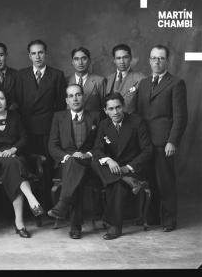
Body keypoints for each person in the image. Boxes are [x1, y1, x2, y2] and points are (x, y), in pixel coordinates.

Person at [0, 87, 44, 238]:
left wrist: (13, 149)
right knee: (14, 167)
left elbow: (24, 138)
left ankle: (20, 222)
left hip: (16, 157)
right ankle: (30, 201)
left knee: (15, 164)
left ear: (6, 101)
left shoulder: (15, 117)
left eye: (1, 99)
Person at [135, 45, 187, 232]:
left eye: (161, 58)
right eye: (154, 58)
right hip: (145, 142)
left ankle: (169, 220)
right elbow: (138, 113)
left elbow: (180, 116)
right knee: (150, 181)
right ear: (149, 60)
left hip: (164, 142)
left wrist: (172, 141)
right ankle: (153, 217)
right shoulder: (144, 83)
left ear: (167, 61)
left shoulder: (176, 83)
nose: (157, 61)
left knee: (165, 182)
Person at [90, 92, 152, 240]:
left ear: (124, 107)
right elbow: (97, 149)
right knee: (93, 159)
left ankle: (115, 226)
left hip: (132, 169)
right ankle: (124, 179)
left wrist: (128, 167)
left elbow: (148, 150)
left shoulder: (137, 122)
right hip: (112, 169)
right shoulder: (104, 124)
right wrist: (109, 161)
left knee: (116, 186)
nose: (115, 112)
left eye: (118, 107)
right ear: (105, 111)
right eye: (111, 109)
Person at [15, 39, 67, 208]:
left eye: (41, 52)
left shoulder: (57, 75)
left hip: (47, 129)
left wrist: (54, 129)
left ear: (46, 54)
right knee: (27, 166)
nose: (37, 56)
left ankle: (46, 205)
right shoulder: (21, 75)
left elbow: (60, 106)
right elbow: (18, 103)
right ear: (29, 56)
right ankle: (31, 206)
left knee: (46, 168)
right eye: (34, 53)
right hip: (26, 129)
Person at [47, 84, 101, 239]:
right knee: (74, 168)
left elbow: (99, 145)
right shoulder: (59, 117)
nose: (75, 99)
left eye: (78, 95)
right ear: (66, 100)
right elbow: (53, 145)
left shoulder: (96, 116)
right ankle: (75, 226)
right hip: (66, 163)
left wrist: (87, 154)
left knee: (76, 170)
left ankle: (63, 207)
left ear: (83, 97)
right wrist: (66, 157)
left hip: (89, 162)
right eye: (71, 96)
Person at [105, 44, 146, 114]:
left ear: (130, 58)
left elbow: (144, 106)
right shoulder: (108, 79)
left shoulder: (141, 78)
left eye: (125, 57)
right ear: (114, 60)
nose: (122, 62)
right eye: (118, 58)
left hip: (132, 122)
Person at [66, 47, 106, 114]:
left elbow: (105, 106)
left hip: (94, 122)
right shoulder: (66, 81)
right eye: (76, 59)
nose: (80, 62)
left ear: (89, 61)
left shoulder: (100, 81)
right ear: (72, 62)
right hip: (71, 122)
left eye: (84, 58)